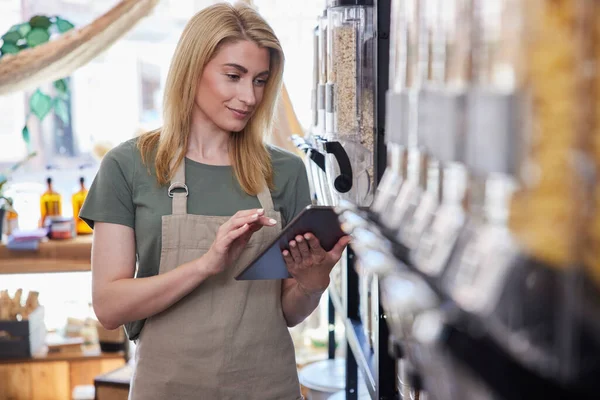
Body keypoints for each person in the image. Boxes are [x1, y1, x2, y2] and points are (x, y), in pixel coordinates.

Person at [79, 2, 350, 399]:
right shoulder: (128, 166)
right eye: (233, 76)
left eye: (260, 80)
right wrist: (206, 265)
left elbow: (286, 313)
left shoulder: (286, 172)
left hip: (266, 387)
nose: (250, 96)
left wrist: (311, 285)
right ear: (192, 69)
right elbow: (109, 306)